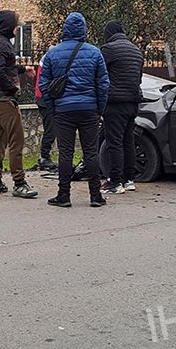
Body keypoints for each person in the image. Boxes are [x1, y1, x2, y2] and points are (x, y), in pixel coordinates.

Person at [37, 12, 109, 208]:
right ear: (83, 30)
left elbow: (44, 86)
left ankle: (64, 195)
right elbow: (103, 85)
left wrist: (53, 109)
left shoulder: (52, 54)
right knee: (91, 153)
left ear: (65, 29)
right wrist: (99, 109)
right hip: (89, 109)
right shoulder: (95, 53)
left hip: (63, 111)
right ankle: (95, 196)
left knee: (65, 153)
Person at [0, 10, 38, 199]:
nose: (17, 28)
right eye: (15, 24)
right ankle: (19, 183)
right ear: (7, 25)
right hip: (4, 100)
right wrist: (11, 90)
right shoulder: (1, 44)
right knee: (17, 140)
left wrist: (23, 68)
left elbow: (5, 66)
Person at [99, 20, 145, 195]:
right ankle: (129, 179)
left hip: (115, 103)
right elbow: (138, 78)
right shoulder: (136, 51)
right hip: (133, 103)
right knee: (128, 141)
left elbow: (101, 75)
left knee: (114, 142)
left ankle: (115, 181)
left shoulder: (108, 49)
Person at [33, 64, 56, 170]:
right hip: (44, 99)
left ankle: (45, 156)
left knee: (51, 128)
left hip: (42, 97)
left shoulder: (47, 58)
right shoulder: (49, 58)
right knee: (51, 129)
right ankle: (44, 157)